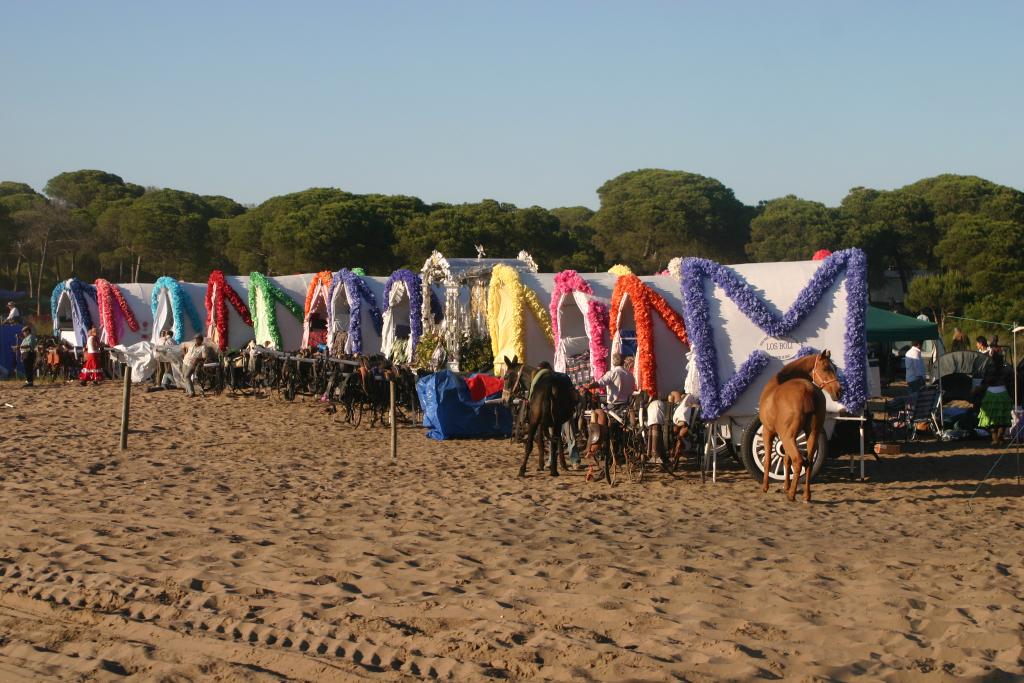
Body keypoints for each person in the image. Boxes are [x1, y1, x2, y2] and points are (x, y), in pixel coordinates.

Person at [978, 352, 1012, 446]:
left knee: (991, 418)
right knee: (1002, 418)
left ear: (992, 359)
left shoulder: (988, 368)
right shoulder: (1007, 369)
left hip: (990, 393)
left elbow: (984, 381)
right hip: (1002, 392)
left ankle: (994, 439)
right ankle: (1000, 438)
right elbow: (1010, 383)